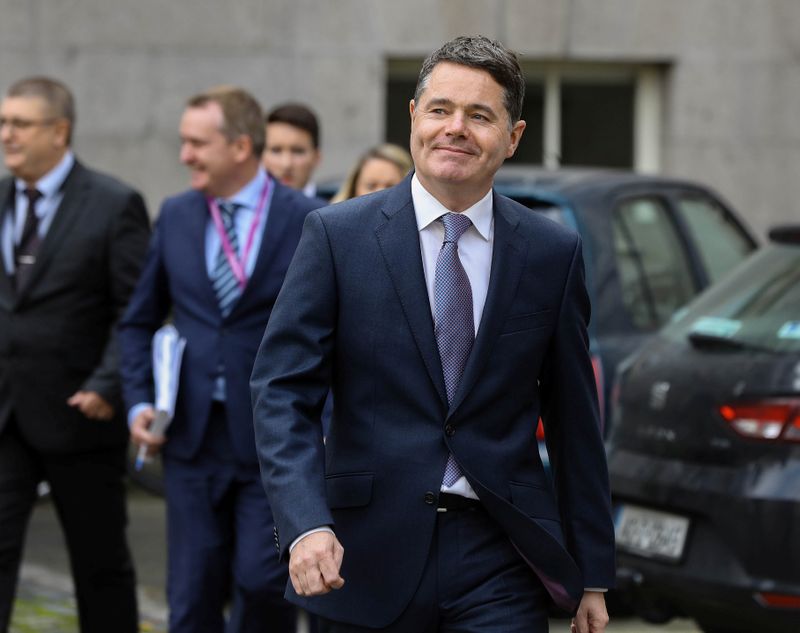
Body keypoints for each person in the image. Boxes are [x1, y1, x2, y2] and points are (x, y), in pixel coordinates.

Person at [251, 35, 615, 633]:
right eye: (441, 109)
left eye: (480, 115)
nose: (456, 128)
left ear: (514, 136)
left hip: (501, 554)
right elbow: (281, 393)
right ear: (414, 116)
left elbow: (576, 421)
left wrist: (592, 571)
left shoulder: (552, 252)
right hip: (361, 553)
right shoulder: (337, 237)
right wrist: (304, 524)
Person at [118, 86, 320, 633]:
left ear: (239, 147)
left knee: (262, 587)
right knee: (191, 594)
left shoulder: (309, 219)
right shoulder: (178, 214)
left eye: (195, 143)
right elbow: (138, 320)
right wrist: (138, 400)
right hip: (191, 439)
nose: (184, 155)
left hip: (273, 444)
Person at [0, 76, 149, 633]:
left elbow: (134, 308)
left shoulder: (112, 204)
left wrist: (108, 384)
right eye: (3, 123)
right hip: (6, 414)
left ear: (59, 131)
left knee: (99, 564)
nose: (6, 135)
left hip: (82, 416)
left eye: (20, 123)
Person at [263, 103, 323, 199]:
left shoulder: (334, 209)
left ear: (316, 157)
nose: (286, 164)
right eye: (276, 150)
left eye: (298, 151)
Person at [330, 143, 412, 203]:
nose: (380, 193)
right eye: (371, 186)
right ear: (353, 189)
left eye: (390, 186)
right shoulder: (332, 223)